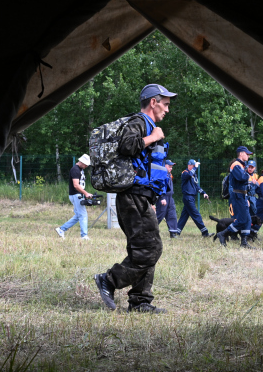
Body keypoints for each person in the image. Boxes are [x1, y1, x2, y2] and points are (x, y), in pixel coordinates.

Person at [94, 84, 174, 314]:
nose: (167, 110)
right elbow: (127, 145)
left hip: (140, 196)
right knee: (151, 249)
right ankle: (109, 280)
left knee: (143, 249)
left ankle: (140, 302)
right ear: (153, 102)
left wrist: (152, 195)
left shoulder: (146, 125)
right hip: (132, 197)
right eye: (165, 104)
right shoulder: (139, 123)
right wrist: (153, 137)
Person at [216, 146, 254, 247]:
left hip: (243, 195)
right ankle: (223, 234)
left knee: (248, 219)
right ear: (241, 154)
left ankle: (244, 242)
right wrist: (249, 176)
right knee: (241, 220)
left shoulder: (242, 165)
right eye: (247, 154)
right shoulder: (236, 165)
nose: (248, 156)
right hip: (237, 195)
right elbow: (241, 177)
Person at [55, 154, 94, 240]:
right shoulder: (75, 170)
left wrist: (85, 193)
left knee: (78, 216)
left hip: (78, 195)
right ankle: (84, 236)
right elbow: (76, 185)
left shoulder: (80, 169)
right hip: (76, 195)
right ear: (82, 162)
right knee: (83, 215)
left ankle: (61, 229)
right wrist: (86, 193)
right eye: (86, 164)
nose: (87, 166)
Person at [176, 159, 213, 237]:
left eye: (194, 166)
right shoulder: (185, 173)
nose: (194, 168)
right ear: (189, 165)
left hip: (191, 197)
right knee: (196, 215)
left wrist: (203, 193)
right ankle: (205, 233)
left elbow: (196, 186)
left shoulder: (194, 175)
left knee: (184, 216)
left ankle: (177, 232)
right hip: (188, 197)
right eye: (193, 166)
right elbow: (189, 174)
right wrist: (195, 168)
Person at [156, 159, 180, 238]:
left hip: (170, 197)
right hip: (163, 197)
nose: (171, 168)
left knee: (172, 214)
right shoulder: (161, 175)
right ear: (164, 166)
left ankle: (173, 233)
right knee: (159, 215)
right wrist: (162, 197)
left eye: (171, 166)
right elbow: (159, 187)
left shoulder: (169, 174)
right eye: (169, 166)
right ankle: (148, 230)